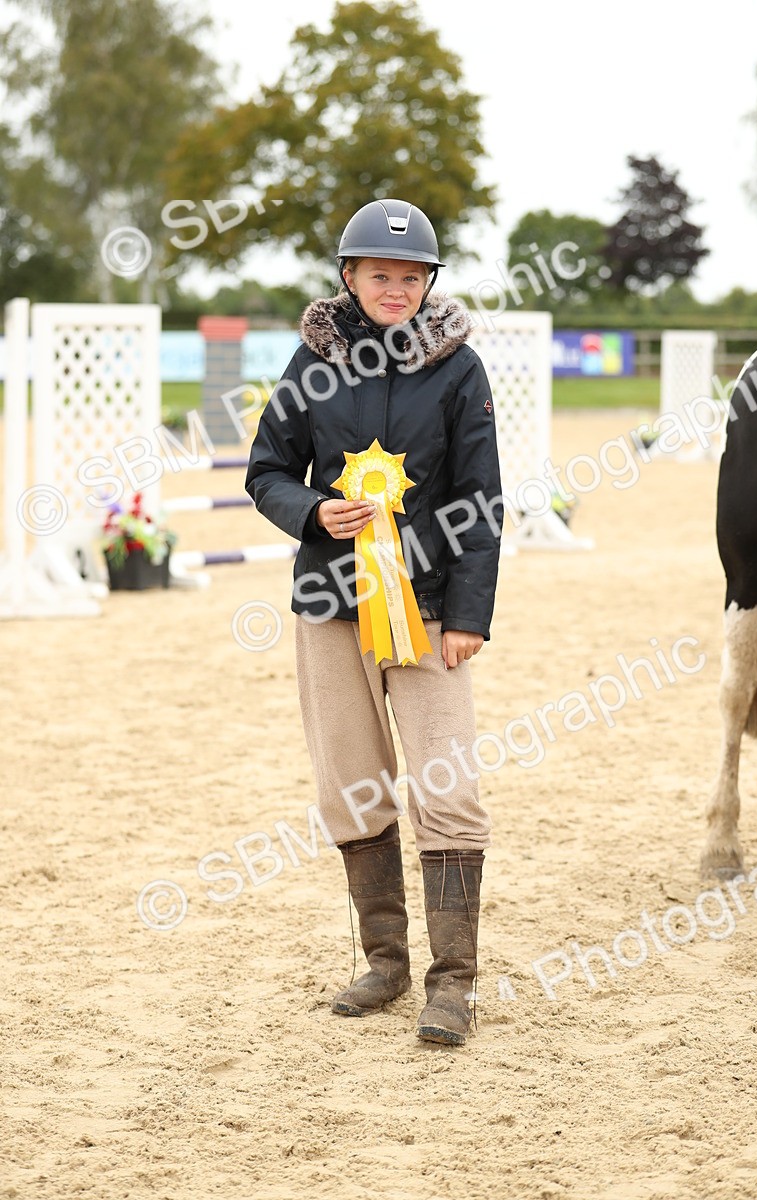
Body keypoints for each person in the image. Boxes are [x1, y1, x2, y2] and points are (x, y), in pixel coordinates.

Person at [244, 197, 502, 1046]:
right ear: (349, 278)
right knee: (351, 782)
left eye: (411, 276)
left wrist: (468, 614)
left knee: (447, 785)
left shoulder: (461, 370)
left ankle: (453, 980)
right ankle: (387, 963)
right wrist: (315, 512)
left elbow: (480, 499)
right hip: (328, 606)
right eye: (380, 275)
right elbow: (268, 470)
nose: (397, 288)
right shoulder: (309, 363)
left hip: (428, 613)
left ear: (429, 281)